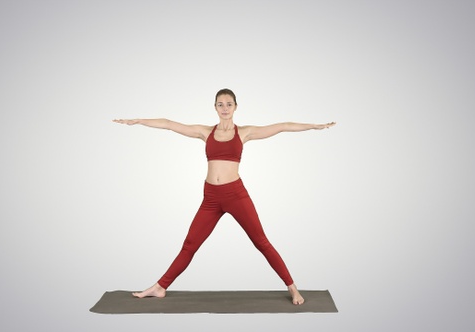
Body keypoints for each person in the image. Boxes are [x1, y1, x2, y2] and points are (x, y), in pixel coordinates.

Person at [113, 88, 336, 305]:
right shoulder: (205, 131)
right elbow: (170, 124)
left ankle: (293, 288)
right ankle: (160, 287)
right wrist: (140, 120)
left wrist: (314, 127)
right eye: (221, 104)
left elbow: (283, 126)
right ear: (215, 108)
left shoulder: (245, 132)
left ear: (235, 107)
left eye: (229, 104)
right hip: (210, 198)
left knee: (261, 242)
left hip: (235, 195)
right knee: (190, 244)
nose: (225, 108)